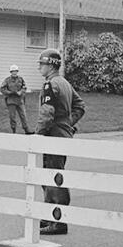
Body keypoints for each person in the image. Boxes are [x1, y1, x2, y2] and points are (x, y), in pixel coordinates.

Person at [35, 49, 85, 235]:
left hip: (53, 137)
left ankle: (59, 222)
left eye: (42, 64)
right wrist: (67, 124)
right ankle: (50, 216)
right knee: (50, 176)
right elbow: (80, 106)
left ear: (51, 65)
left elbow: (47, 112)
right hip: (62, 135)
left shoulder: (51, 85)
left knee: (54, 178)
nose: (40, 67)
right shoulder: (64, 83)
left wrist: (38, 134)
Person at [0, 65, 32, 134]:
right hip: (11, 100)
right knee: (12, 117)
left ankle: (26, 129)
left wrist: (21, 92)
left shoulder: (21, 79)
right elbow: (2, 89)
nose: (14, 73)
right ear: (10, 72)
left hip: (19, 100)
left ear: (17, 72)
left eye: (15, 71)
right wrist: (9, 92)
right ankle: (13, 130)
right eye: (13, 72)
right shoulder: (7, 80)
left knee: (23, 115)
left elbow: (24, 87)